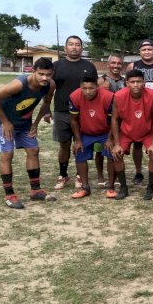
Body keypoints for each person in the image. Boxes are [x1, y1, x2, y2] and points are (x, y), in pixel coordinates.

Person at [0, 57, 55, 209]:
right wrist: (5, 122)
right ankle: (9, 195)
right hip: (6, 123)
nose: (45, 78)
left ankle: (35, 190)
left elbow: (46, 104)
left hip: (24, 123)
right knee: (7, 154)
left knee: (33, 150)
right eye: (41, 74)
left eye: (48, 74)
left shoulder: (50, 85)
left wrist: (35, 124)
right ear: (33, 72)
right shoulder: (19, 85)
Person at [51, 36, 98, 191]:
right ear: (65, 48)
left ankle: (80, 175)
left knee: (80, 144)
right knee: (64, 145)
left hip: (83, 114)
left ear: (81, 48)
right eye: (71, 44)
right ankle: (63, 174)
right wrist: (46, 110)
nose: (74, 47)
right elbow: (49, 89)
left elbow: (94, 90)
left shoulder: (89, 66)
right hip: (62, 111)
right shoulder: (56, 66)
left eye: (77, 45)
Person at [126, 39, 153, 187]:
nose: (147, 52)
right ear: (139, 52)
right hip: (138, 111)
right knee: (137, 144)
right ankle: (139, 172)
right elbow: (128, 88)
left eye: (150, 49)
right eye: (144, 49)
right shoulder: (133, 65)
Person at [110, 69, 153, 201]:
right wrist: (116, 143)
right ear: (127, 83)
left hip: (146, 131)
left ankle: (150, 187)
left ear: (144, 82)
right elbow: (114, 119)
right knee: (116, 154)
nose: (136, 85)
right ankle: (124, 188)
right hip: (126, 131)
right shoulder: (119, 96)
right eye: (132, 82)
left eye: (139, 81)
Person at [69, 75, 115, 199]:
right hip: (86, 132)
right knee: (79, 152)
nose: (88, 91)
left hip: (105, 131)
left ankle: (111, 187)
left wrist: (110, 139)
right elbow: (73, 120)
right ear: (80, 87)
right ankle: (85, 187)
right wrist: (77, 140)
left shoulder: (108, 96)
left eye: (91, 88)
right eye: (84, 88)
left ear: (97, 87)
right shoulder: (74, 96)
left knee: (112, 153)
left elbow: (114, 120)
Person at [94, 52, 125, 186]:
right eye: (113, 63)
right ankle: (100, 176)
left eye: (118, 63)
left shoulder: (125, 82)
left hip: (119, 120)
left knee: (115, 149)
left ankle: (116, 176)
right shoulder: (101, 81)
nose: (116, 66)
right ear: (108, 64)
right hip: (103, 121)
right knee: (100, 150)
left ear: (122, 65)